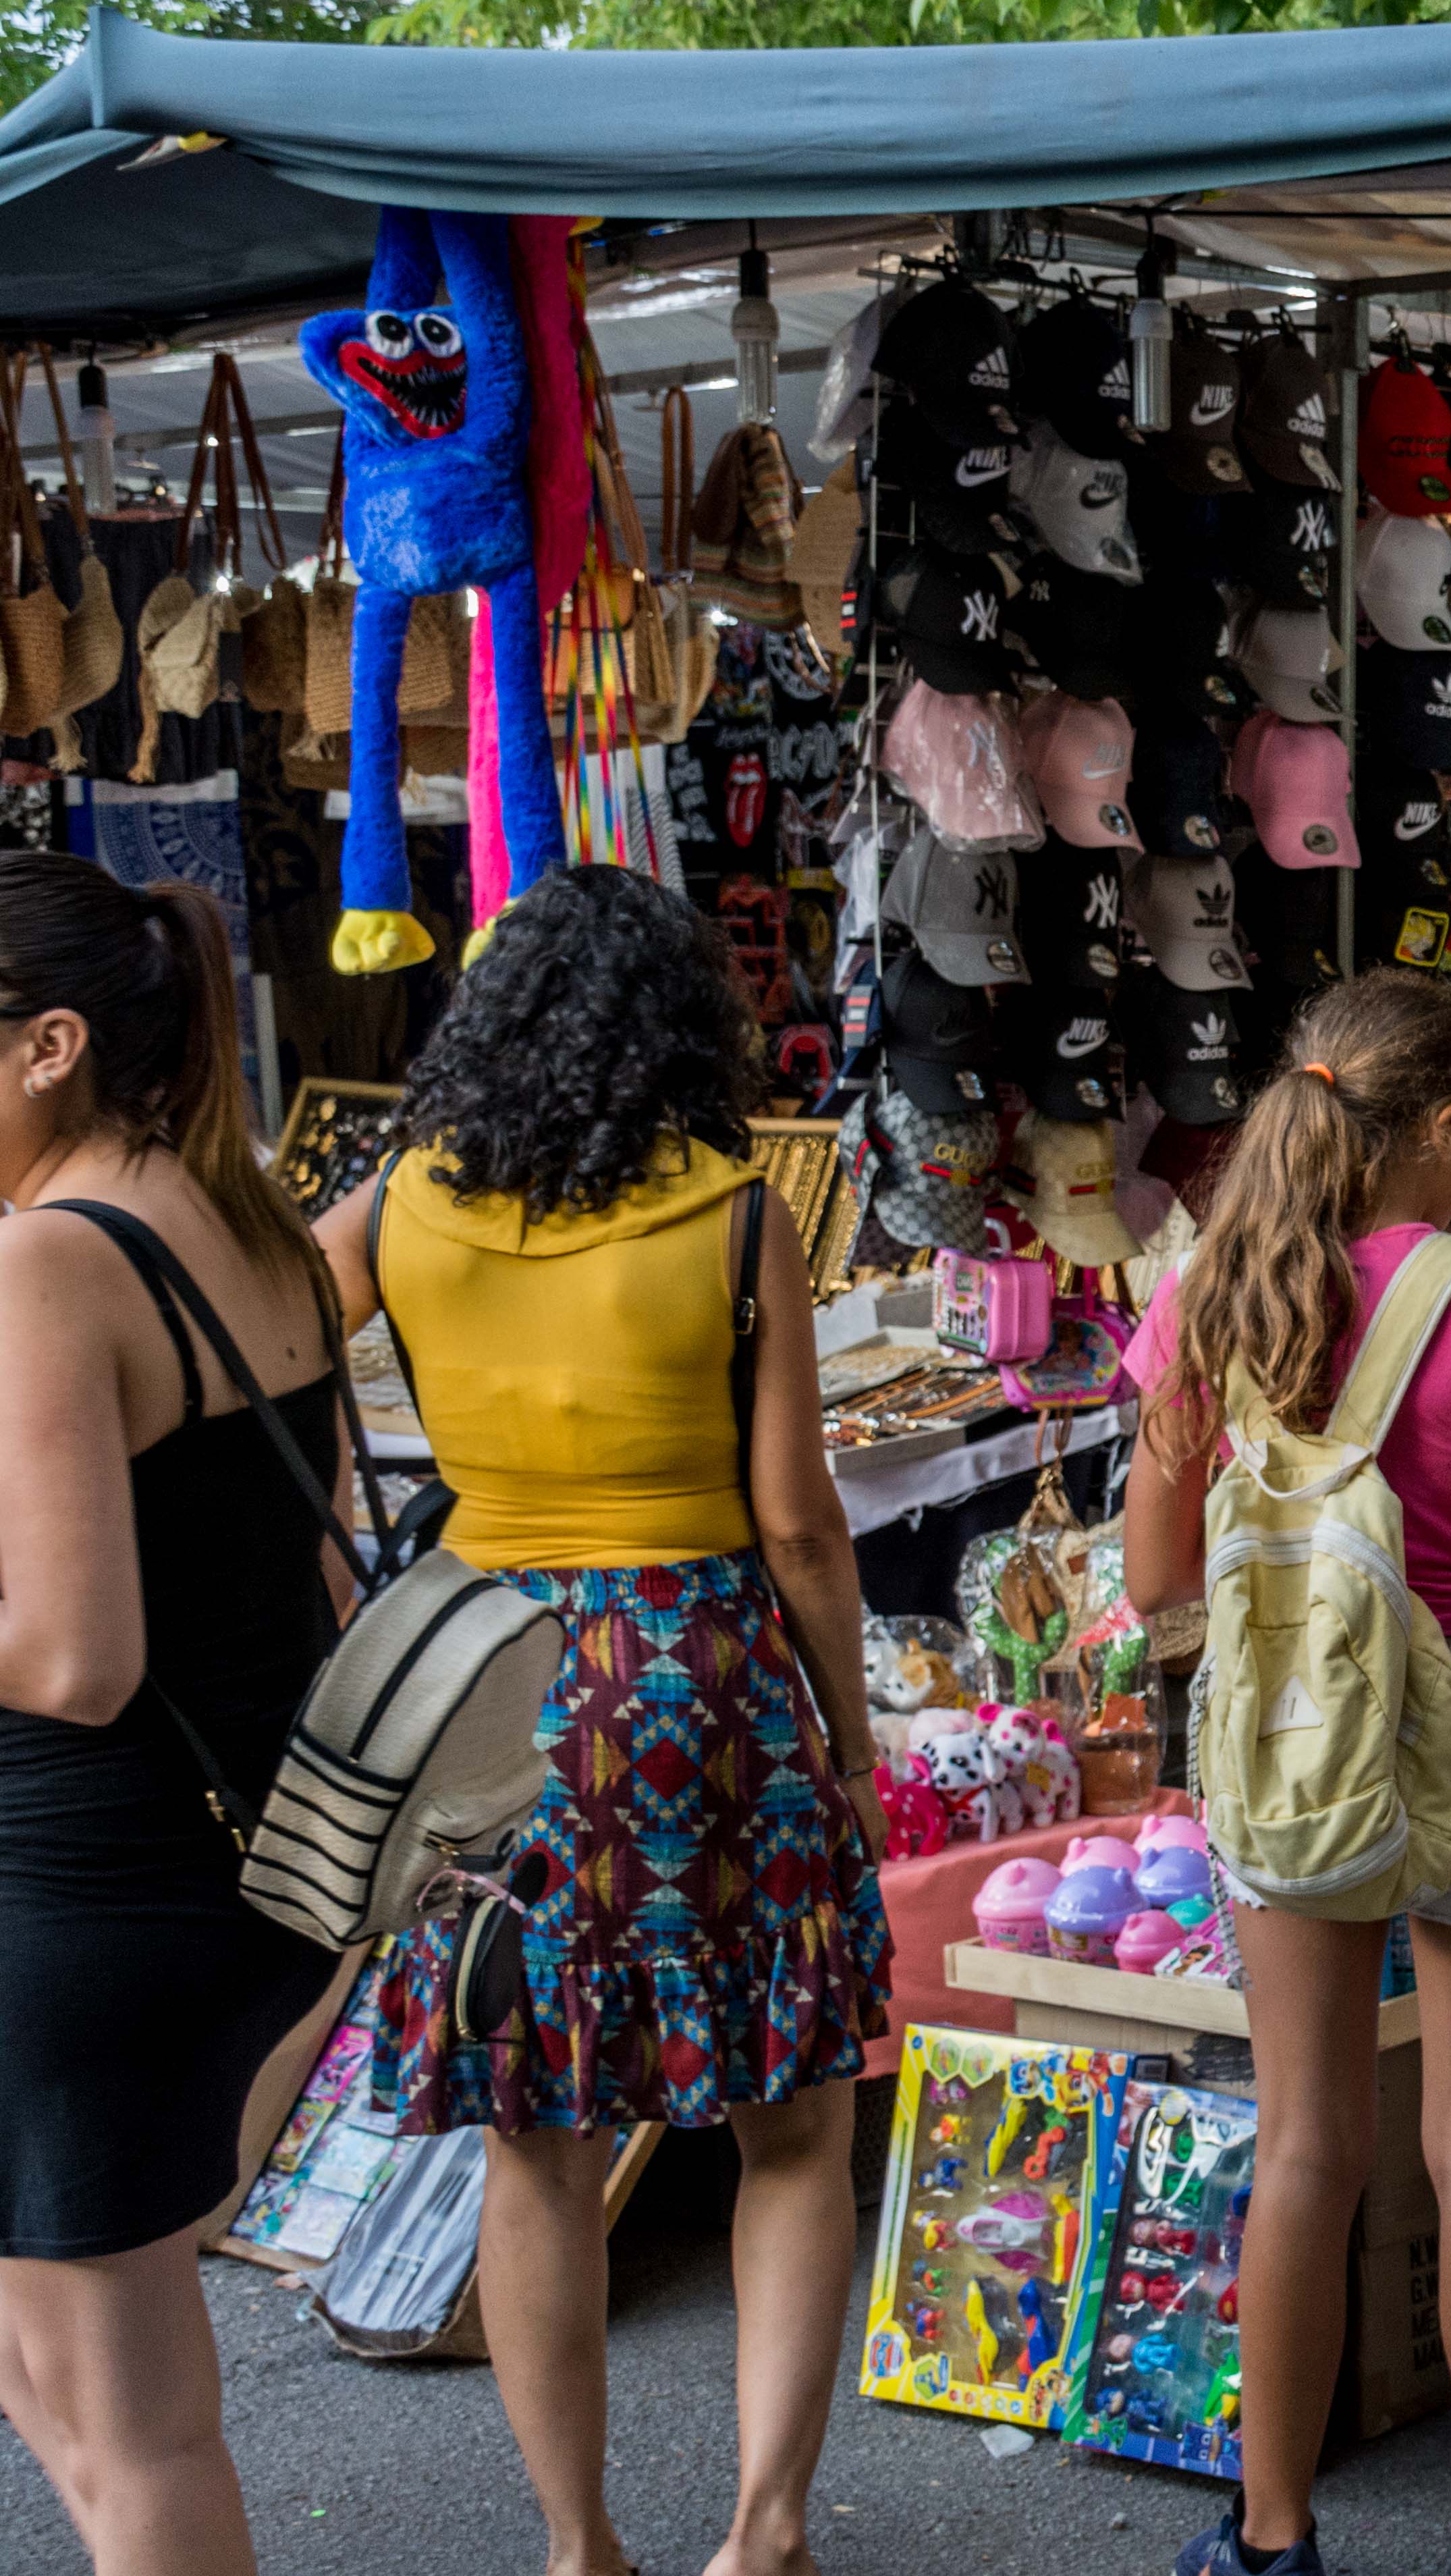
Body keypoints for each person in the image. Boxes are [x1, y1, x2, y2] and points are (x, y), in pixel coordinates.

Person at [319, 865, 888, 2576]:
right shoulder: (732, 1215)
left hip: (480, 1673)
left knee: (535, 2129)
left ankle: (579, 2546)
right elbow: (798, 1525)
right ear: (679, 1028)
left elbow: (252, 1347)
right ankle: (763, 2531)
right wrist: (849, 1746)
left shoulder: (400, 1197)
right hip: (697, 1675)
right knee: (790, 2119)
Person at [1117, 973, 1451, 2576]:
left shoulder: (1211, 1286)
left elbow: (1154, 1578)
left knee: (1302, 2142)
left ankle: (1269, 2539)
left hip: (1285, 1740)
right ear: (1447, 1131)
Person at [0, 858, 354, 2575]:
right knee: (63, 2385)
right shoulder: (244, 1216)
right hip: (221, 1870)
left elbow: (75, 1656)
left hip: (83, 1900)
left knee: (121, 2418)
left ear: (49, 1042)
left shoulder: (48, 1260)